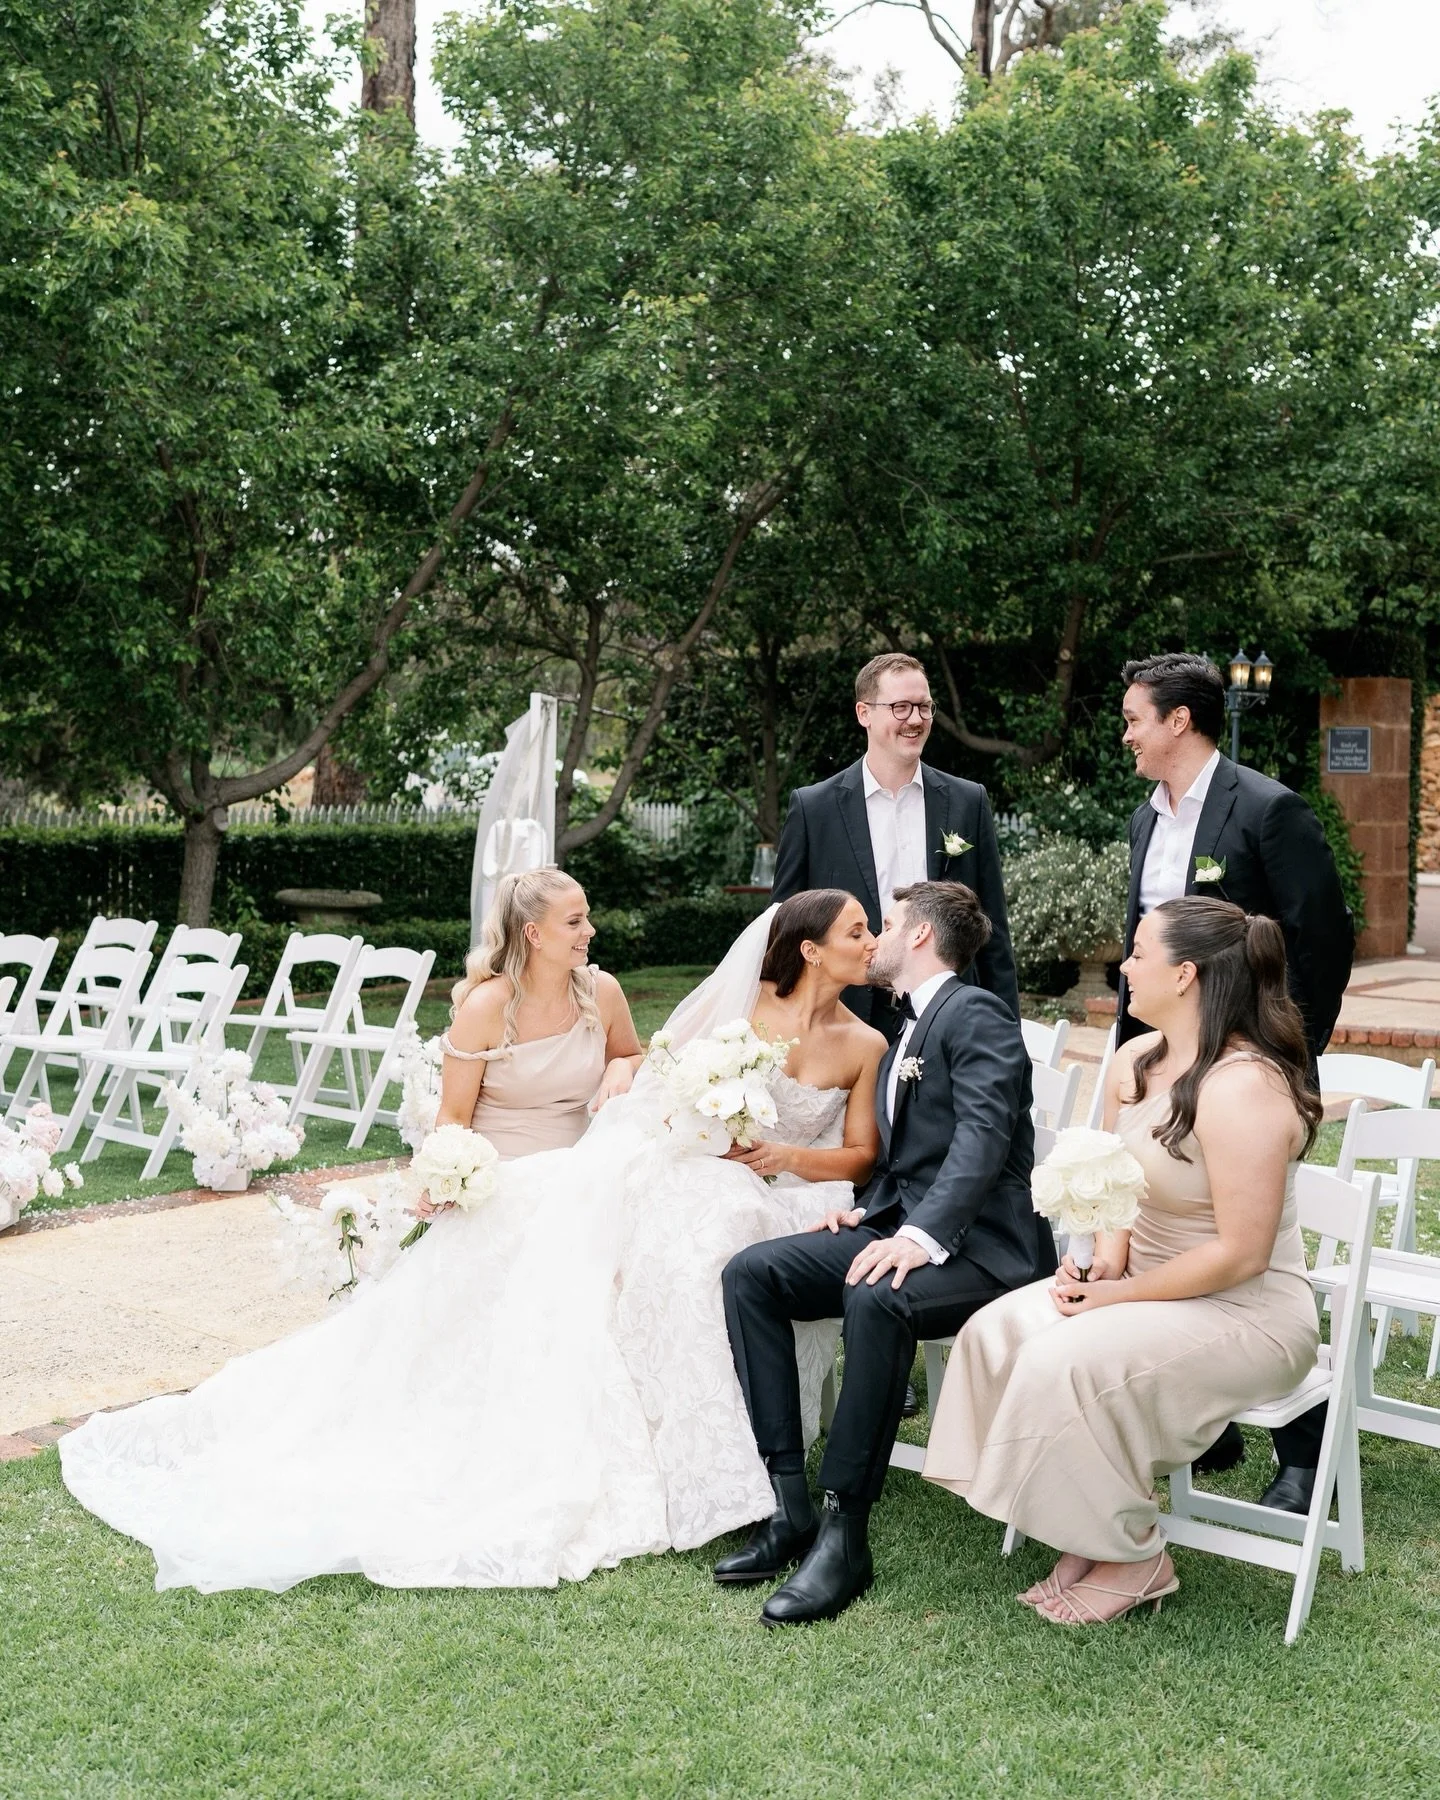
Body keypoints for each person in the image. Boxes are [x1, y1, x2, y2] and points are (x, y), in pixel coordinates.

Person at [59, 878, 887, 1593]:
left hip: (609, 1164)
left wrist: (620, 1069)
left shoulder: (610, 994)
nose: (591, 930)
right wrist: (453, 1174)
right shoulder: (491, 1004)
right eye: (575, 920)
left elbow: (642, 1065)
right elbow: (455, 1120)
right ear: (534, 933)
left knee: (657, 1238)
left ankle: (721, 1459)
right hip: (520, 1171)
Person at [923, 897, 1323, 1627]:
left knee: (1064, 1362)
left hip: (1245, 1311)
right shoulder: (1135, 1060)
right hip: (1143, 1288)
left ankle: (1134, 1557)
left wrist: (1118, 1299)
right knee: (996, 1333)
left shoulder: (1246, 1088)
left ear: (1186, 974)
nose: (1125, 967)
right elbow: (1113, 1187)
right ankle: (1083, 1531)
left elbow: (1242, 1254)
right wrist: (1105, 1264)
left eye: (1139, 953)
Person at [719, 881, 1048, 1628]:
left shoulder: (975, 1014)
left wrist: (916, 1238)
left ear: (921, 936)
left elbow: (981, 1142)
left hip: (985, 1251)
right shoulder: (907, 1027)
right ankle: (789, 1505)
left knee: (878, 1296)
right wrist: (871, 1214)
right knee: (754, 1273)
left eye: (889, 923)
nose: (876, 938)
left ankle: (844, 1535)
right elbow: (913, 1160)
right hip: (904, 1226)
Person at [1117, 652, 1352, 1514]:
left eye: (1135, 718)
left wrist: (1282, 1057)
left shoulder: (1267, 809)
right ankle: (1206, 1423)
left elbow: (1323, 939)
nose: (1127, 734)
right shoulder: (1144, 819)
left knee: (1260, 1247)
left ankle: (1307, 1455)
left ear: (1178, 721)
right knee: (1163, 1224)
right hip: (1161, 1064)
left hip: (1245, 1077)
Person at [773, 652, 1019, 1039]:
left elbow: (994, 934)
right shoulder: (814, 809)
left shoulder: (967, 801)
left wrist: (1008, 1035)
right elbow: (784, 931)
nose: (916, 719)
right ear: (864, 713)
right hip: (844, 1018)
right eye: (900, 707)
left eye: (924, 706)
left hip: (950, 1017)